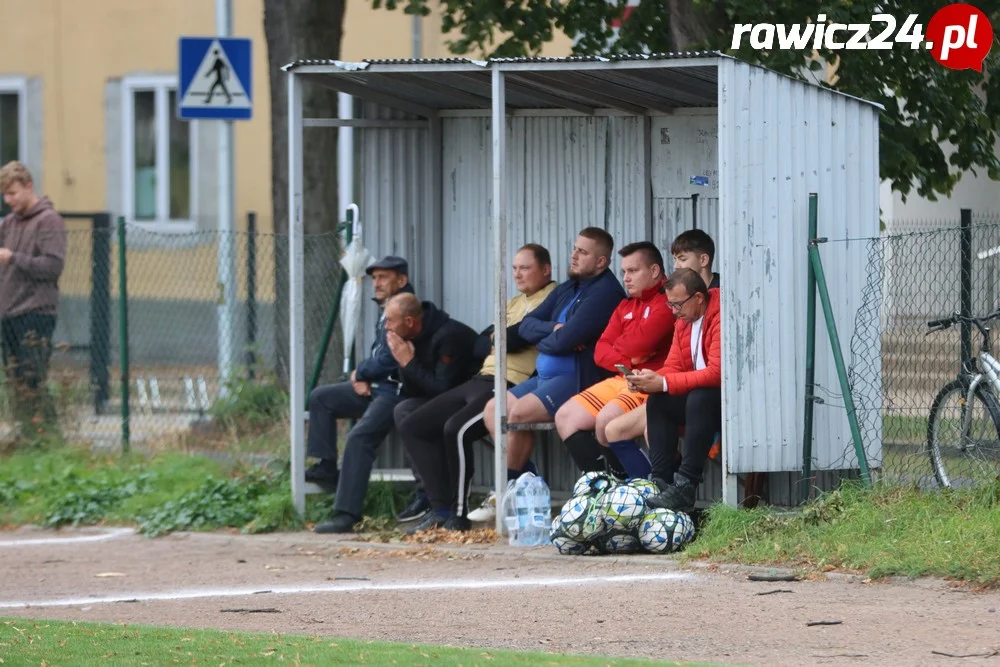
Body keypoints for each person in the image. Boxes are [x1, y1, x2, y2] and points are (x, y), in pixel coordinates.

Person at [398, 244, 556, 533]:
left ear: (545, 269)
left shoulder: (553, 297)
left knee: (455, 429)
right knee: (414, 425)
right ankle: (440, 508)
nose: (518, 275)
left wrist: (507, 336)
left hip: (511, 383)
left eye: (525, 268)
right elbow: (480, 343)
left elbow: (519, 337)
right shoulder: (513, 303)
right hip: (482, 377)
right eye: (515, 269)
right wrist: (504, 337)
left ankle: (457, 517)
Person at [471, 227, 625, 522]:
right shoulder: (569, 288)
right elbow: (528, 325)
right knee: (494, 409)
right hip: (544, 376)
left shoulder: (606, 293)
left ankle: (503, 490)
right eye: (575, 249)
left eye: (583, 252)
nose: (574, 255)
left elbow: (566, 340)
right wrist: (551, 331)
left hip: (576, 377)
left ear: (602, 262)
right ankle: (525, 481)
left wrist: (551, 335)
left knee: (517, 414)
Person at [316, 292, 480, 533]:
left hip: (466, 398)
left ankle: (439, 503)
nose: (386, 327)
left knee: (409, 419)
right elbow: (415, 389)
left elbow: (443, 389)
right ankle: (438, 506)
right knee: (405, 410)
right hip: (429, 397)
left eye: (390, 322)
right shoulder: (407, 335)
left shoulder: (448, 336)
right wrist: (404, 364)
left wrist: (407, 362)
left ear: (410, 322)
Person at [554, 241, 674, 478]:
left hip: (650, 380)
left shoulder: (666, 302)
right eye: (623, 272)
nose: (626, 278)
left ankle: (642, 489)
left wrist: (622, 345)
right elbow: (600, 350)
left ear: (654, 271)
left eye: (633, 271)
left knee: (606, 421)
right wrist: (630, 358)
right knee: (565, 416)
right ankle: (604, 489)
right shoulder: (624, 305)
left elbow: (641, 344)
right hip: (623, 376)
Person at [304, 256, 413, 506]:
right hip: (376, 387)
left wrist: (360, 373)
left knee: (358, 438)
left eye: (383, 277)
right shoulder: (387, 305)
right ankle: (327, 467)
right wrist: (361, 376)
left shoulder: (404, 309)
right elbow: (380, 356)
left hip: (394, 392)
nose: (376, 283)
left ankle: (345, 512)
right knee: (321, 397)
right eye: (374, 278)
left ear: (402, 280)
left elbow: (388, 360)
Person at [601, 229, 722, 450]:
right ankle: (651, 484)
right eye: (674, 259)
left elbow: (642, 343)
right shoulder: (678, 306)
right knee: (611, 429)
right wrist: (648, 374)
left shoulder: (721, 299)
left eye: (682, 259)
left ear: (704, 260)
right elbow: (600, 350)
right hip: (679, 390)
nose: (675, 266)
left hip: (705, 398)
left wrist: (663, 381)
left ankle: (677, 482)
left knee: (657, 422)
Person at [624, 268, 721, 512]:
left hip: (726, 401)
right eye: (671, 305)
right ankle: (662, 482)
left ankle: (686, 484)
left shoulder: (720, 313)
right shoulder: (684, 321)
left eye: (678, 305)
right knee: (658, 401)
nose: (674, 312)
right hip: (700, 401)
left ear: (698, 297)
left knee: (700, 397)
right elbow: (674, 367)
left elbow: (717, 374)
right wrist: (648, 378)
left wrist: (664, 382)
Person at [0, 161, 67, 428]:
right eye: (5, 195)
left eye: (13, 193)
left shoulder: (49, 221)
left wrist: (14, 258)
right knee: (16, 383)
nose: (8, 200)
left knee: (33, 380)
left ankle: (48, 435)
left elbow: (53, 266)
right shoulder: (8, 224)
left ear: (29, 186)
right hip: (9, 314)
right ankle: (28, 434)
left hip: (36, 313)